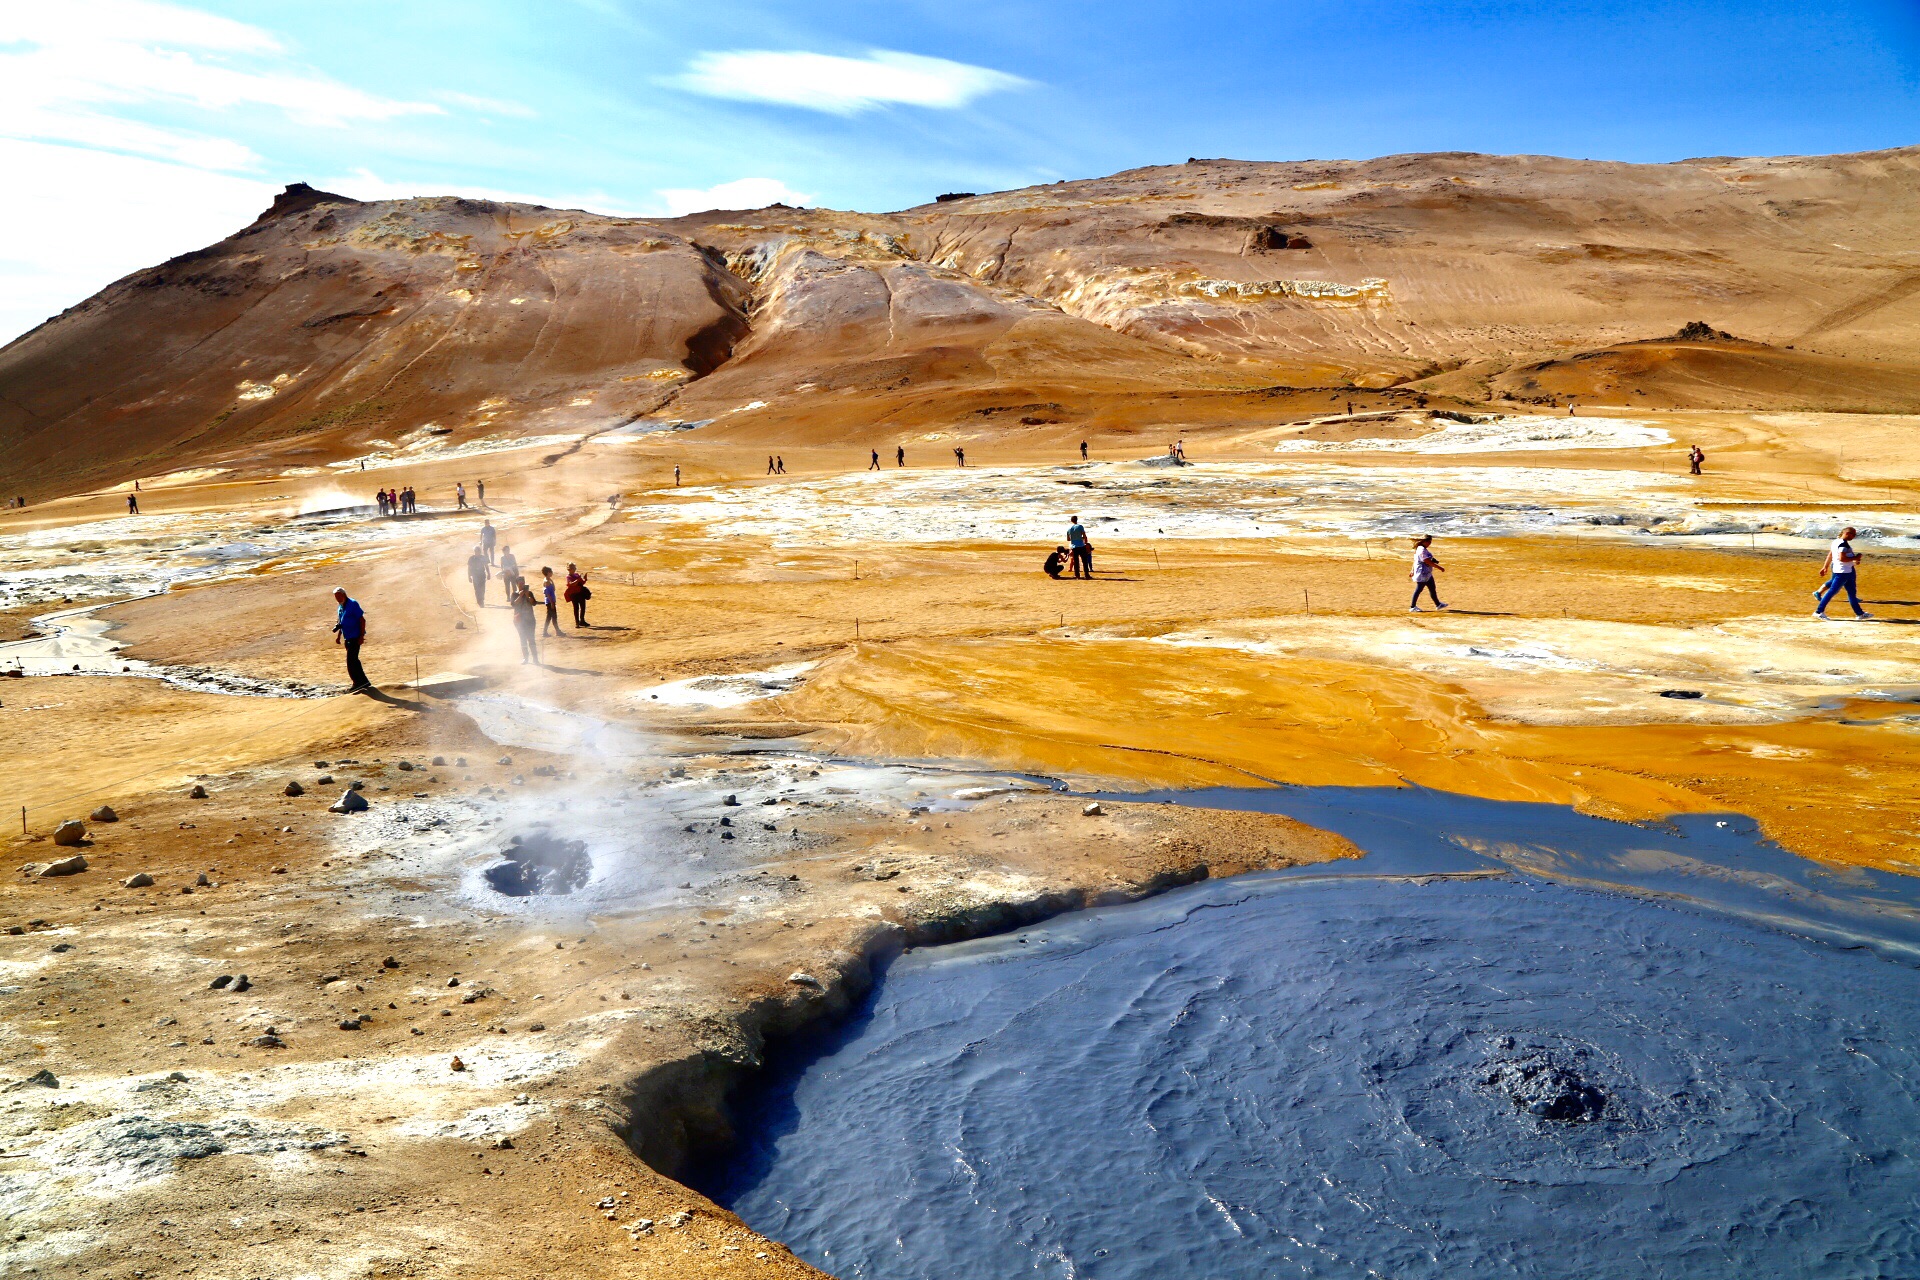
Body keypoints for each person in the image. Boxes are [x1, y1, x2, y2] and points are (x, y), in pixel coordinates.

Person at [1814, 526, 1872, 620]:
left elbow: (1831, 555)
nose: (1854, 536)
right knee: (1833, 591)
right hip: (1842, 571)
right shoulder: (1843, 545)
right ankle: (1819, 611)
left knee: (1852, 592)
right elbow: (1842, 558)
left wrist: (1825, 566)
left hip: (1845, 570)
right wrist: (1855, 558)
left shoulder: (1836, 542)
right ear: (1847, 533)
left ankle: (1860, 614)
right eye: (1853, 534)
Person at [331, 587, 370, 691]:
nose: (338, 599)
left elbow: (362, 620)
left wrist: (361, 636)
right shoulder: (340, 606)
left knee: (350, 661)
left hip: (355, 636)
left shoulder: (353, 604)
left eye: (339, 596)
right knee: (354, 660)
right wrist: (339, 636)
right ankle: (364, 682)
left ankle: (357, 683)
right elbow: (341, 623)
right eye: (336, 597)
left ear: (344, 595)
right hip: (347, 637)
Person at [1410, 535, 1447, 611]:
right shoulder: (1421, 550)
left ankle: (1438, 604)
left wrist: (1412, 570)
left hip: (1427, 573)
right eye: (1429, 542)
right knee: (1418, 590)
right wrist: (1439, 567)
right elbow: (1427, 561)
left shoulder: (1422, 549)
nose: (1429, 543)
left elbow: (1418, 560)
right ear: (1424, 541)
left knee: (1432, 589)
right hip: (1422, 573)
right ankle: (1412, 607)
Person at [510, 580, 539, 664]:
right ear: (517, 584)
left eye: (523, 583)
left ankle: (535, 659)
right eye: (520, 583)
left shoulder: (529, 593)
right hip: (519, 620)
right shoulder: (514, 594)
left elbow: (534, 603)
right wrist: (520, 595)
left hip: (530, 619)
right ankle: (525, 658)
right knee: (523, 639)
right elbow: (513, 604)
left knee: (531, 638)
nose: (522, 585)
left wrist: (527, 595)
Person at [565, 562, 590, 627]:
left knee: (582, 607)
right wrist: (578, 579)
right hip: (574, 594)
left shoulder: (576, 575)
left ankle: (582, 621)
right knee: (576, 608)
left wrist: (585, 579)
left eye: (574, 568)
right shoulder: (568, 577)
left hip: (580, 593)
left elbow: (582, 583)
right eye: (573, 568)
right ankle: (577, 622)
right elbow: (571, 584)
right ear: (569, 569)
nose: (574, 569)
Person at [540, 566, 563, 636]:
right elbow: (547, 593)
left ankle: (546, 631)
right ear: (548, 572)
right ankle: (557, 631)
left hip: (550, 601)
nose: (552, 573)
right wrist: (552, 603)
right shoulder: (547, 581)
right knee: (553, 617)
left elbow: (553, 589)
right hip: (550, 602)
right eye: (551, 572)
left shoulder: (548, 580)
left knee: (550, 617)